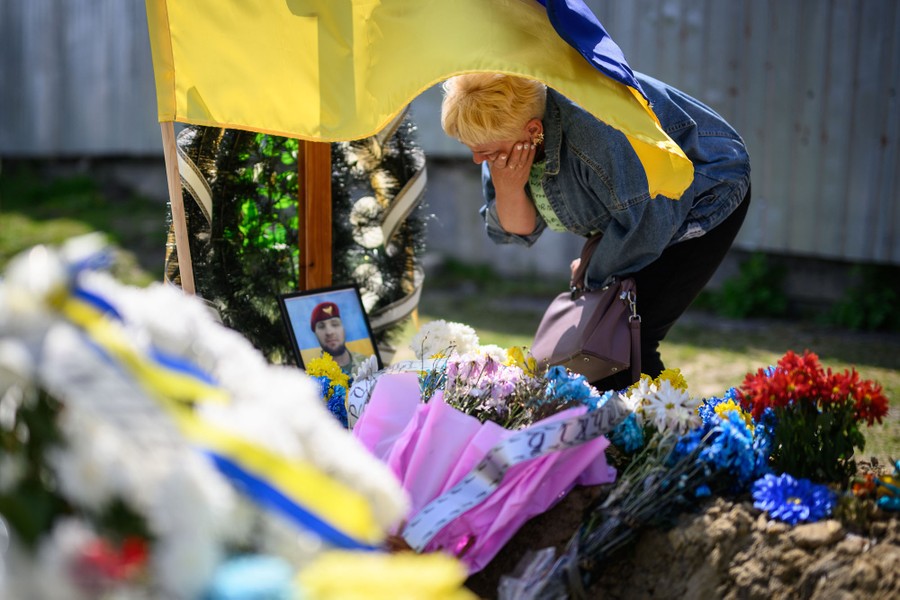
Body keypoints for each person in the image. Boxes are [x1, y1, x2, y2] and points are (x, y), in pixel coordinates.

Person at [440, 72, 751, 390]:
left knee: (631, 342)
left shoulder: (595, 130)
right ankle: (625, 431)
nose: (478, 159)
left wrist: (595, 273)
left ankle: (669, 433)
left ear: (533, 130)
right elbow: (515, 232)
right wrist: (508, 188)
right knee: (609, 346)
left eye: (486, 151)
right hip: (637, 215)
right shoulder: (504, 137)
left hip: (705, 190)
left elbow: (646, 222)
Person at [309, 301, 368, 376]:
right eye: (321, 326)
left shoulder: (366, 362)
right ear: (315, 333)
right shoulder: (315, 376)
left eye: (335, 324)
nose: (329, 332)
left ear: (343, 328)